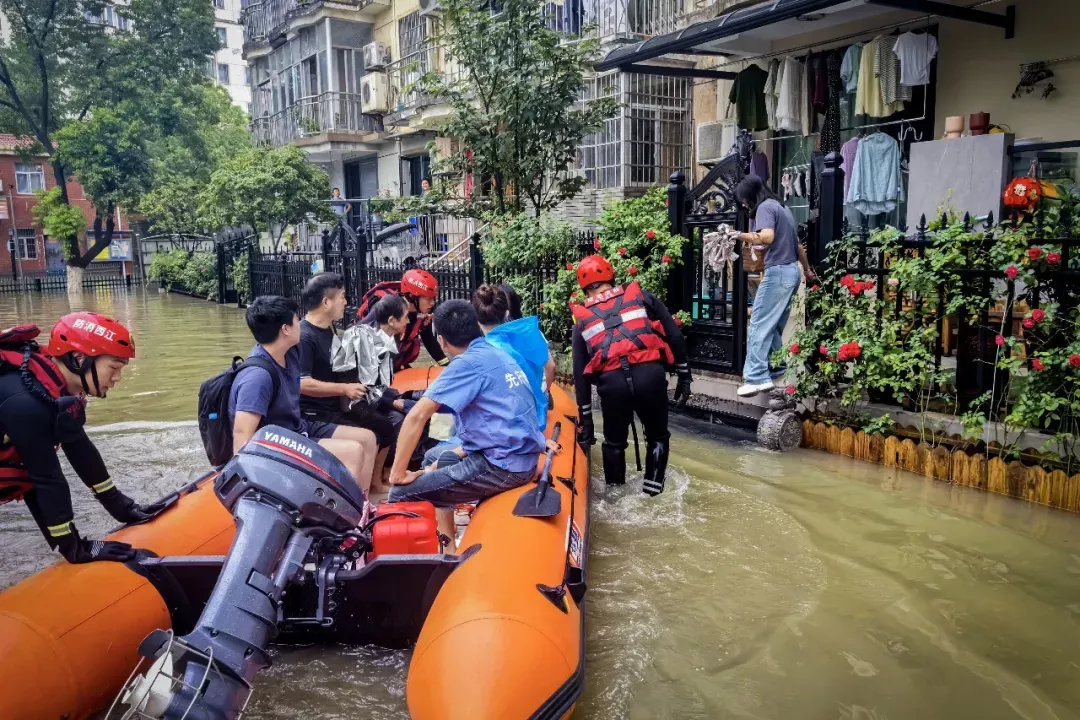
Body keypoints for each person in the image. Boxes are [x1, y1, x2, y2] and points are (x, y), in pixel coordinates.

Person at [0, 312, 163, 564]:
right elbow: (46, 478)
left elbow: (79, 447)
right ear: (79, 358)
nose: (118, 379)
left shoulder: (56, 392)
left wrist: (122, 508)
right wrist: (75, 548)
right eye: (114, 368)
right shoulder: (28, 403)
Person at [387, 300, 545, 549]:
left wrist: (398, 474)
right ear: (477, 328)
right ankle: (448, 545)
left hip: (501, 466)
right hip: (514, 455)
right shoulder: (496, 352)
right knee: (433, 457)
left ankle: (419, 566)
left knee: (398, 493)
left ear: (441, 341)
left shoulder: (466, 363)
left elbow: (417, 416)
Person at [229, 295, 379, 494]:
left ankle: (363, 504)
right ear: (285, 329)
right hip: (279, 444)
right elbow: (242, 435)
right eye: (296, 320)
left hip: (298, 427)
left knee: (367, 438)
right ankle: (348, 516)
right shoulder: (257, 378)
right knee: (354, 452)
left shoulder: (289, 353)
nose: (301, 323)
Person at [571, 255, 692, 497]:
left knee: (614, 443)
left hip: (612, 385)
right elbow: (674, 335)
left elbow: (579, 372)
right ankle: (653, 493)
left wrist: (586, 420)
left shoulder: (581, 320)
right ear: (612, 277)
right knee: (657, 436)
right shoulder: (642, 297)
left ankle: (615, 498)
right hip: (651, 377)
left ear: (585, 290)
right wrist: (684, 375)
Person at [297, 273, 410, 493]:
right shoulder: (305, 336)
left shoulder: (329, 331)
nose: (346, 302)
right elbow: (301, 383)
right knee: (370, 435)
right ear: (326, 302)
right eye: (341, 296)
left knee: (385, 425)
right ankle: (361, 499)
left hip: (335, 408)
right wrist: (345, 388)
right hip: (312, 416)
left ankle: (370, 488)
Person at [734, 175, 815, 398]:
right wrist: (807, 271)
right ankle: (776, 366)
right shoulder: (783, 208)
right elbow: (799, 247)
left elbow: (767, 237)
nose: (743, 204)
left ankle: (756, 377)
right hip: (792, 272)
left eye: (743, 200)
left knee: (759, 323)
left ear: (751, 196)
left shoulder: (765, 208)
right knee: (773, 326)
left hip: (778, 272)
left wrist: (737, 235)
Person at [472, 283, 555, 431]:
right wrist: (545, 392)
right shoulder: (532, 332)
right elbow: (551, 367)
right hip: (536, 400)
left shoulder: (486, 347)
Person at [356, 268, 447, 372]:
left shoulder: (421, 313)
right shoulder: (387, 305)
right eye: (428, 299)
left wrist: (448, 366)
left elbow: (429, 341)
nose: (432, 303)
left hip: (394, 361)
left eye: (433, 299)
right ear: (412, 297)